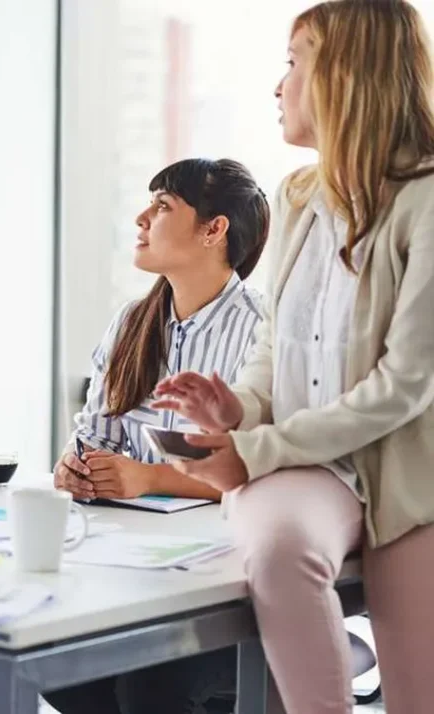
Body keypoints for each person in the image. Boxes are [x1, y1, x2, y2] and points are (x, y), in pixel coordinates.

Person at [153, 2, 434, 712]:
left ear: (344, 76)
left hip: (409, 477)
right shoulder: (299, 198)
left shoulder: (427, 201)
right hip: (310, 472)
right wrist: (236, 408)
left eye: (294, 62)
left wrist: (258, 447)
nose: (280, 85)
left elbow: (405, 385)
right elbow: (276, 346)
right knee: (279, 549)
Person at [43, 158, 269, 714]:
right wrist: (77, 469)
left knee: (148, 684)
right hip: (129, 563)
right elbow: (93, 438)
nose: (143, 217)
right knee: (57, 665)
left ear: (214, 230)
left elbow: (264, 469)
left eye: (163, 206)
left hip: (225, 584)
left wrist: (147, 478)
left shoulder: (263, 329)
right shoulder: (131, 322)